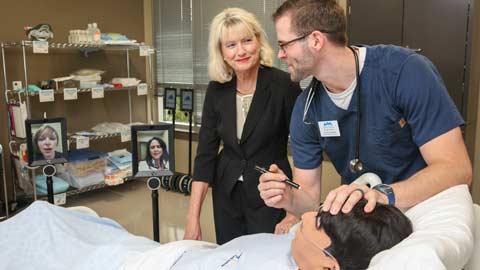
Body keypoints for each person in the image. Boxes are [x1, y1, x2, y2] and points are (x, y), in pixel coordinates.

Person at [259, 0, 472, 219]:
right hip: (369, 221)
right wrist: (289, 197)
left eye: (285, 45)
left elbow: (456, 169)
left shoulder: (404, 72)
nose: (280, 55)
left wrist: (383, 194)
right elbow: (310, 201)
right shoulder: (306, 109)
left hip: (427, 211)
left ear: (315, 40)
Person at [0, 199, 412, 270]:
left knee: (43, 225)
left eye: (316, 224)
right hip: (167, 253)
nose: (305, 219)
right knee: (68, 219)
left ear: (329, 264)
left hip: (134, 264)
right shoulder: (298, 248)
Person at [184, 7, 302, 244]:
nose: (241, 51)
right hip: (226, 194)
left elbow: (303, 151)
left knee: (267, 258)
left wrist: (292, 211)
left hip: (271, 193)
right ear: (221, 51)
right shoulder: (216, 90)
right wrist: (192, 219)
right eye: (231, 45)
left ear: (258, 41)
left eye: (247, 41)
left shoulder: (283, 85)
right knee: (231, 256)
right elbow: (205, 155)